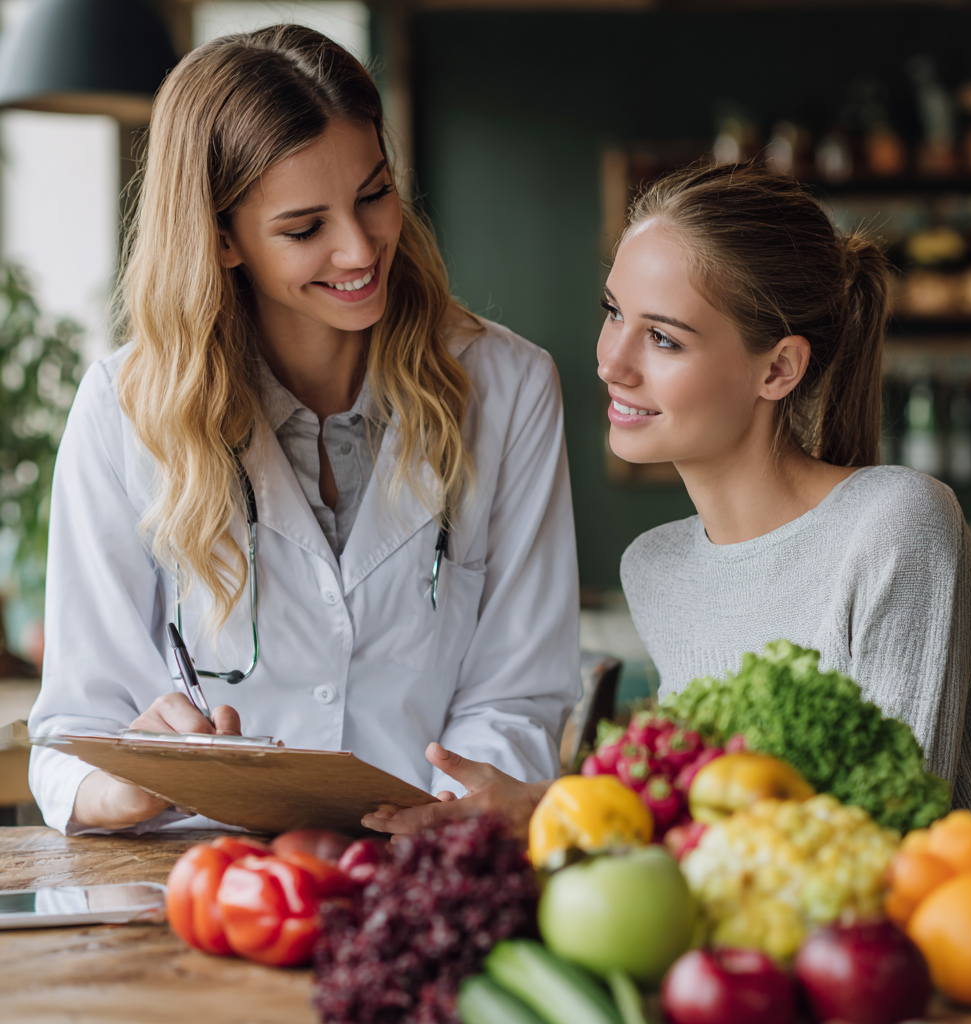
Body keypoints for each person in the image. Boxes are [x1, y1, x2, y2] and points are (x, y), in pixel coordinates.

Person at [28, 25, 579, 834]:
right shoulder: (124, 408)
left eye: (374, 195)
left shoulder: (509, 387)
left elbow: (518, 696)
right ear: (221, 238)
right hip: (205, 874)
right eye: (304, 228)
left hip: (423, 865)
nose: (359, 249)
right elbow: (73, 733)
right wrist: (132, 782)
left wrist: (448, 820)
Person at [365, 163, 971, 839]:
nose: (611, 362)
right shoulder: (656, 567)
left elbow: (881, 834)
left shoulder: (897, 524)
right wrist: (547, 806)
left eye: (663, 338)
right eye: (614, 312)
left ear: (778, 369)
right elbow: (707, 816)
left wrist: (556, 805)